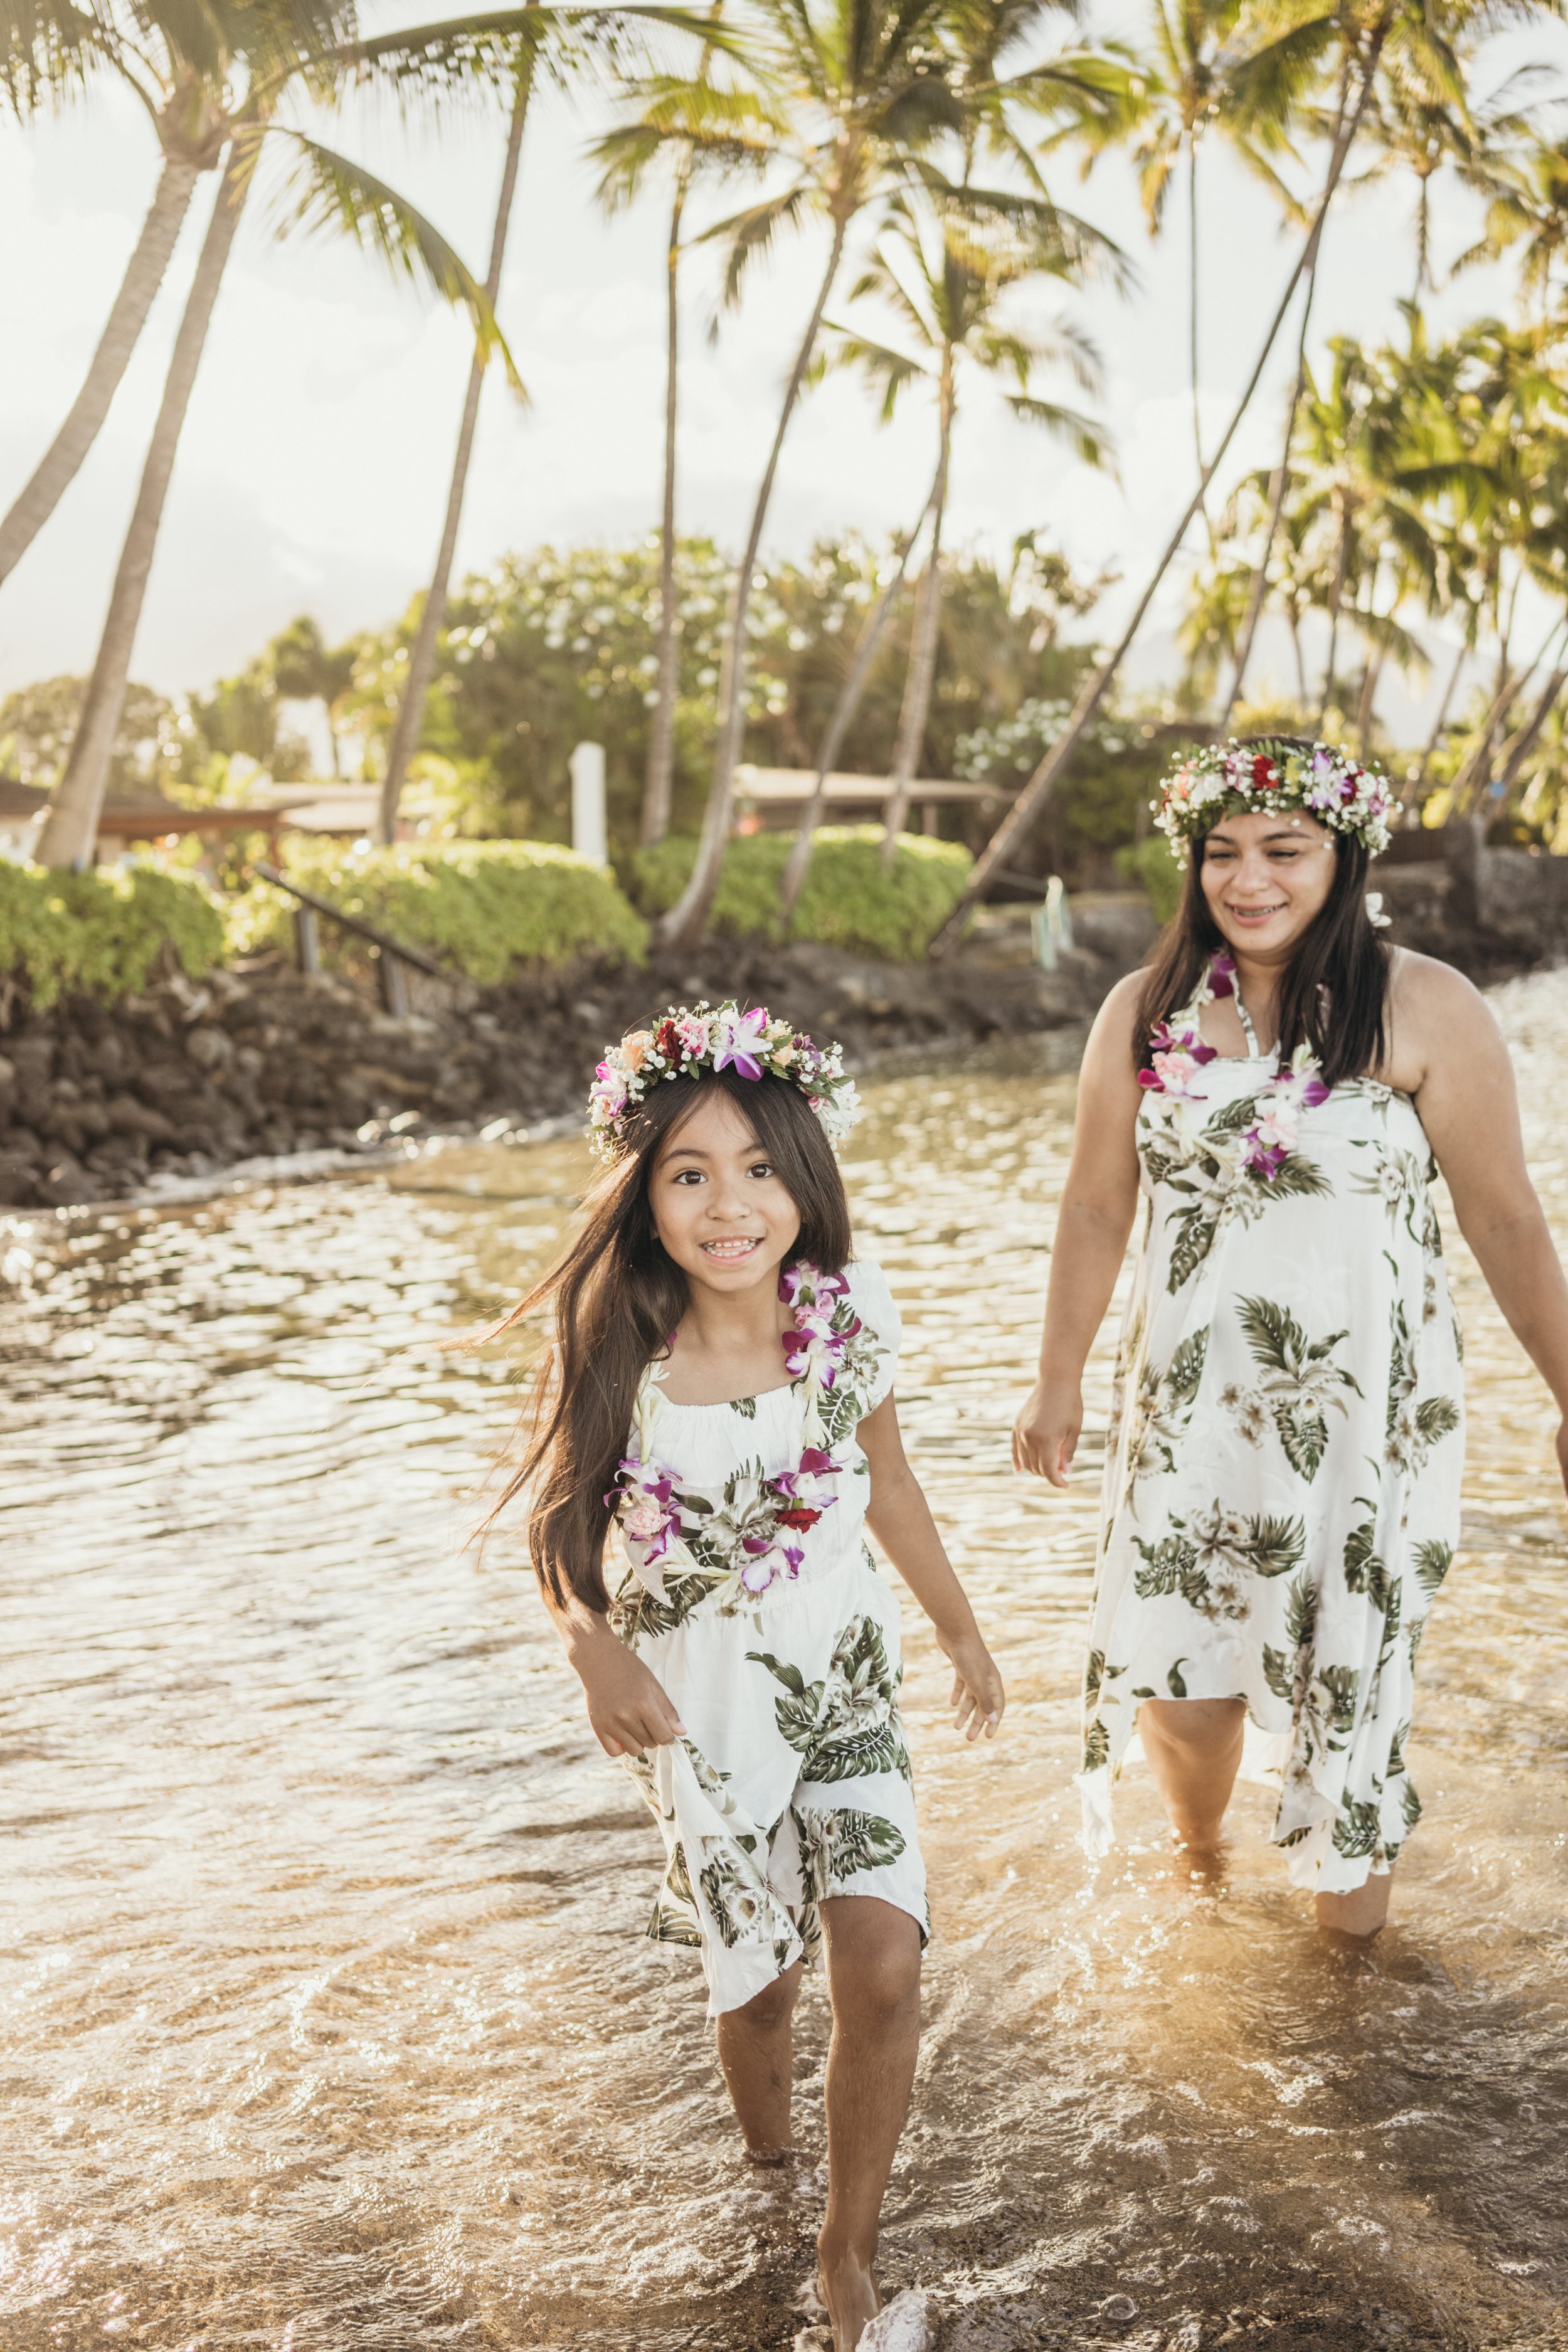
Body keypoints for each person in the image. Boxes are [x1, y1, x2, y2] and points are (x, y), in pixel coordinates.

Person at [485, 1000, 1005, 2350]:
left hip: (842, 1682)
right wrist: (590, 1648)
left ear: (805, 1178)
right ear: (643, 1193)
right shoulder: (622, 1344)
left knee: (880, 1965)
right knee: (761, 1985)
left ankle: (845, 2253)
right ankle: (768, 2179)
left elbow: (887, 1485)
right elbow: (558, 1534)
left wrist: (958, 1630)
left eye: (761, 1168)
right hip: (698, 1716)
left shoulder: (851, 1309)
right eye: (690, 1173)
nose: (732, 1205)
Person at [1012, 736, 1568, 1936]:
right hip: (1188, 1409)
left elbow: (1505, 1214)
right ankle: (1201, 1861)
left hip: (1365, 1416)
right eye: (1222, 852)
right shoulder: (1147, 1010)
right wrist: (1056, 1381)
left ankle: (1349, 1987)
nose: (1248, 878)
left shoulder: (1427, 1004)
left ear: (1343, 854)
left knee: (1352, 1671)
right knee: (1185, 1678)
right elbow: (1098, 1203)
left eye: (1284, 850)